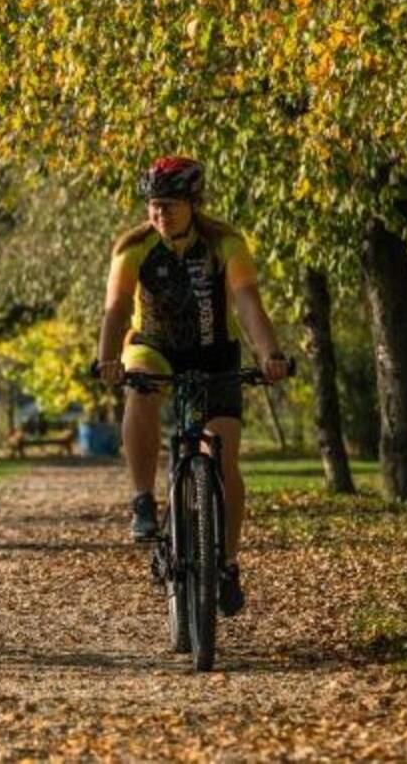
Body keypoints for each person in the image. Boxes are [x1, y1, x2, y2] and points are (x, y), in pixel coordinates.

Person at [95, 155, 287, 617]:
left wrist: (269, 354)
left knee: (223, 454)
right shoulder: (133, 248)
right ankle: (143, 500)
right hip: (153, 344)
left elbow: (248, 302)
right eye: (153, 205)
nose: (159, 213)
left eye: (169, 205)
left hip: (214, 351)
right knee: (140, 391)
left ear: (194, 204)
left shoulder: (225, 243)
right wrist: (107, 359)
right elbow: (116, 309)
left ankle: (227, 563)